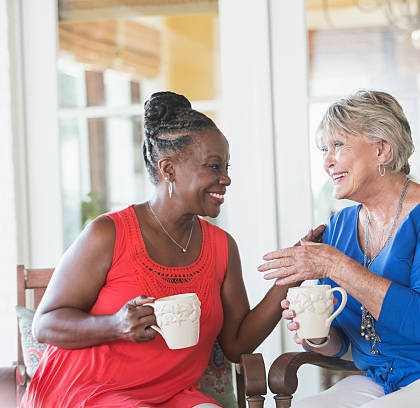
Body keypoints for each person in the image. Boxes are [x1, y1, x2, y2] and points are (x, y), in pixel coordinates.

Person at [23, 91, 321, 408]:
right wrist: (115, 325)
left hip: (169, 396)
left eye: (226, 167)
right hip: (86, 393)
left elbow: (236, 345)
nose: (226, 178)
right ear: (168, 169)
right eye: (213, 166)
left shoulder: (221, 247)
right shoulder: (108, 234)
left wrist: (292, 276)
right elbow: (45, 324)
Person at [258, 90, 420, 408]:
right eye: (323, 149)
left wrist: (335, 264)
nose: (327, 161)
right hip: (387, 382)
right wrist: (317, 334)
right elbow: (345, 344)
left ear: (382, 150)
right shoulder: (340, 227)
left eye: (338, 145)